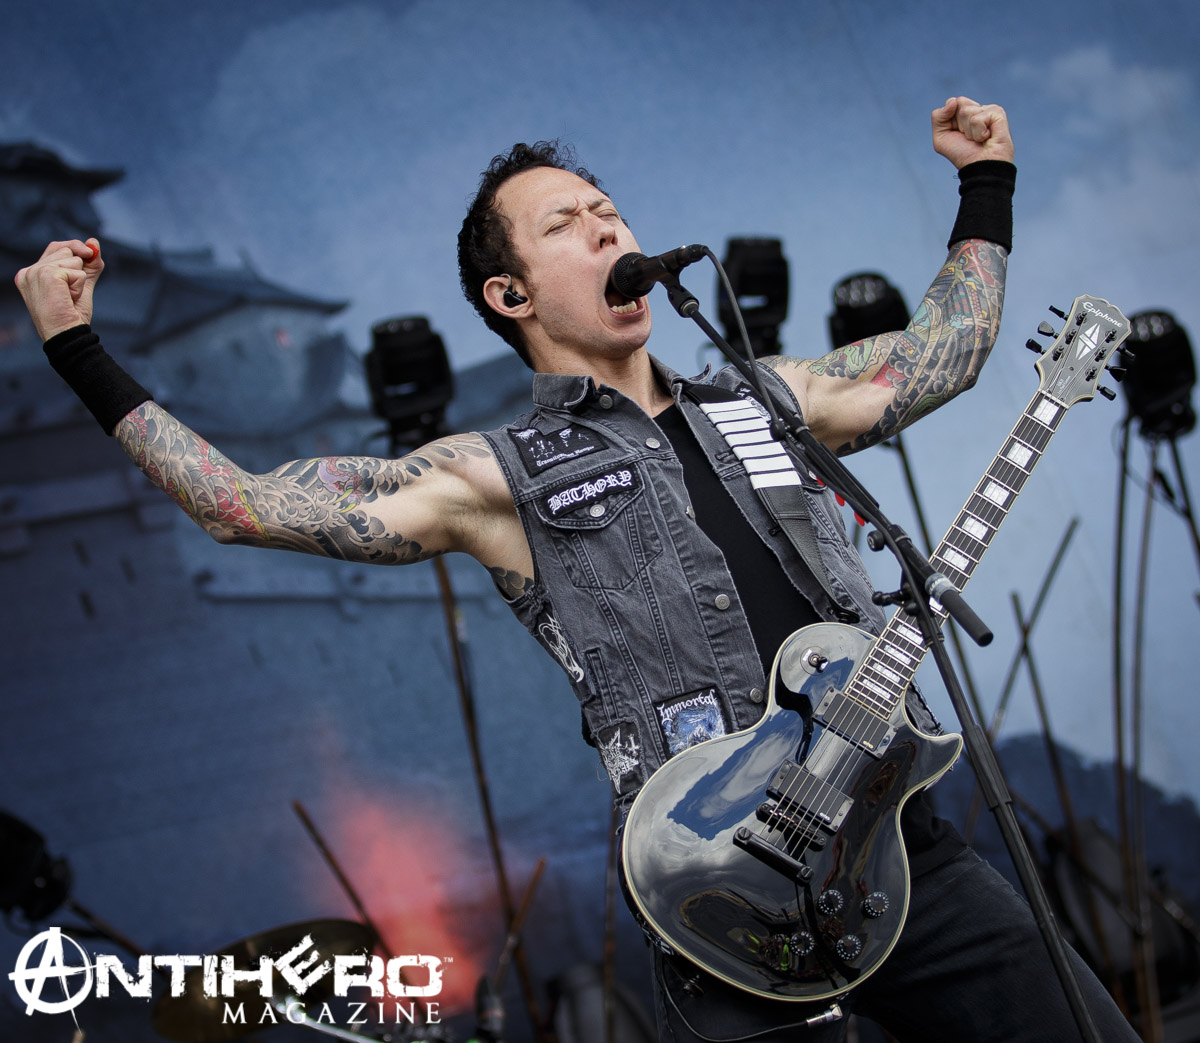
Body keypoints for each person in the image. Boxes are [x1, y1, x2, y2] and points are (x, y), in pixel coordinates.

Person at [14, 97, 1137, 1042]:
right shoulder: (492, 474)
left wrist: (986, 181)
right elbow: (242, 506)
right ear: (511, 295)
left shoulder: (769, 401)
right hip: (719, 884)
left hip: (899, 842)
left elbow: (950, 349)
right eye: (567, 224)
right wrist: (78, 350)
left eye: (611, 213)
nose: (607, 231)